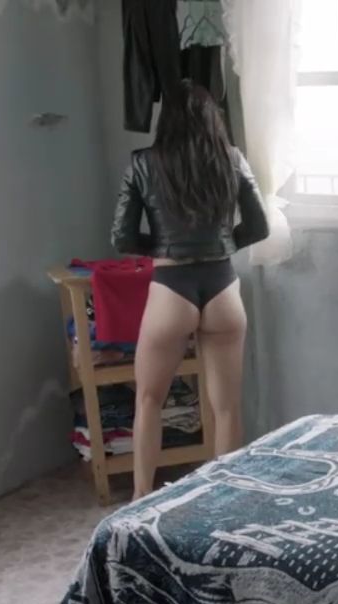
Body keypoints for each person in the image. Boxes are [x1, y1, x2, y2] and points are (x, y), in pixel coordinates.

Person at [110, 79, 268, 499]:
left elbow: (122, 237)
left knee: (148, 400)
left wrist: (165, 248)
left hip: (171, 288)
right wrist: (219, 244)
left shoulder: (142, 162)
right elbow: (259, 226)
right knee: (227, 407)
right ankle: (224, 500)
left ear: (167, 120)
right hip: (223, 288)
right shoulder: (232, 158)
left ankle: (141, 499)